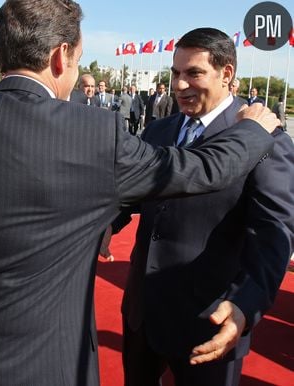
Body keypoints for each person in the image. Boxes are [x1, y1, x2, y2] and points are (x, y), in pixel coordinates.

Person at [0, 2, 278, 385]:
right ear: (61, 57)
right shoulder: (94, 135)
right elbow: (200, 169)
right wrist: (257, 130)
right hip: (50, 364)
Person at [114, 27, 294, 386]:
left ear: (226, 74)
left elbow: (275, 232)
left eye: (193, 73)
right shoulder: (158, 132)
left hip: (211, 322)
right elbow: (132, 193)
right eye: (175, 73)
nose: (180, 85)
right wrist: (110, 221)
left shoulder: (266, 139)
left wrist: (246, 304)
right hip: (143, 312)